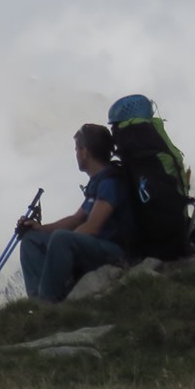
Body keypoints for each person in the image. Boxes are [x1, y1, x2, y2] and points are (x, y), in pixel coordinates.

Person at [15, 123, 139, 303]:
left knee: (61, 239)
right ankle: (37, 302)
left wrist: (61, 242)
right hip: (94, 247)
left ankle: (46, 304)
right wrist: (39, 228)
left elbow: (92, 228)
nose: (76, 154)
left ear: (85, 151)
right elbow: (75, 219)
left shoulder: (110, 183)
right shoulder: (98, 181)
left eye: (77, 149)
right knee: (31, 240)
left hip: (114, 251)